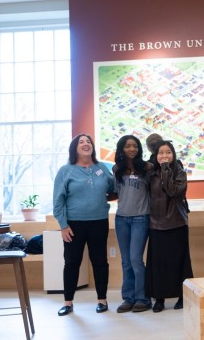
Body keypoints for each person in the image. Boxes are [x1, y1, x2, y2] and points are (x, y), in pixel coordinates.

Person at [52, 133, 116, 316]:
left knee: (100, 262)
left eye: (88, 142)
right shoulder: (66, 170)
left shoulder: (101, 168)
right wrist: (63, 225)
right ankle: (68, 302)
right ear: (75, 148)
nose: (86, 144)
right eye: (81, 142)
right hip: (74, 225)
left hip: (99, 222)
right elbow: (58, 201)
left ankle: (102, 301)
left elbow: (114, 188)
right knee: (72, 262)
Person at [146, 140, 193, 312]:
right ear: (155, 155)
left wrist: (165, 169)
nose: (164, 156)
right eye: (161, 153)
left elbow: (172, 191)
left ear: (173, 155)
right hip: (156, 223)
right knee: (158, 263)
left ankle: (182, 296)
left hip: (176, 222)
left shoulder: (179, 172)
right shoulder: (150, 173)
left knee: (180, 262)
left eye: (168, 152)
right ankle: (159, 298)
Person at [112, 135, 152, 313]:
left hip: (140, 219)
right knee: (126, 261)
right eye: (128, 146)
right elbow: (115, 192)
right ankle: (128, 298)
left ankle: (143, 298)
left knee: (136, 260)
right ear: (122, 149)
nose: (132, 149)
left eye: (135, 146)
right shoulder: (116, 169)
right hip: (121, 219)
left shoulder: (146, 168)